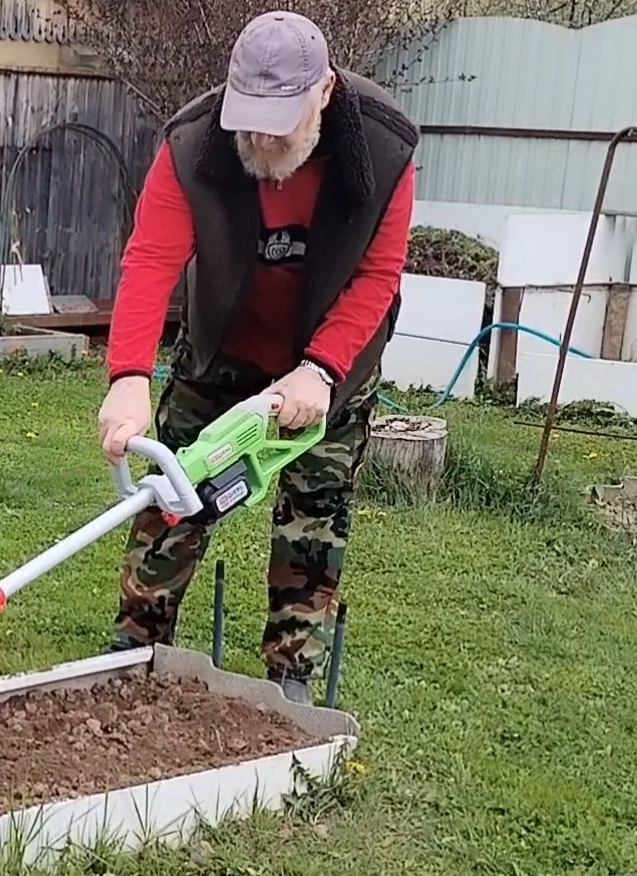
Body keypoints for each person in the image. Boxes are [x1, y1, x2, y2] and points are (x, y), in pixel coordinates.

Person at [96, 10, 418, 705]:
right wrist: (127, 377)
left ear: (323, 93)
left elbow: (377, 275)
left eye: (278, 122)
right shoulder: (190, 146)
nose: (261, 139)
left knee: (313, 514)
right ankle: (134, 647)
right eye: (248, 119)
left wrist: (322, 367)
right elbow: (151, 260)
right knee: (171, 500)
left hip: (329, 369)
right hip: (221, 356)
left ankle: (290, 677)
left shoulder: (385, 148)